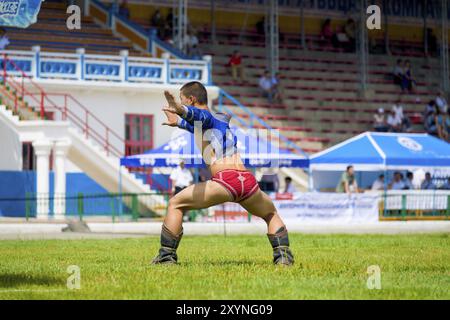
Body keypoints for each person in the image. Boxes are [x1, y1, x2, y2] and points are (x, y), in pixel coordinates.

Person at [152, 82, 294, 265]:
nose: (180, 103)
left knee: (175, 204)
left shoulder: (204, 117)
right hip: (248, 182)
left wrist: (180, 110)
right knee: (270, 213)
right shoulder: (217, 120)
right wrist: (178, 122)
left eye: (182, 100)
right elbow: (199, 125)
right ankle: (283, 258)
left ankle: (166, 258)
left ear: (191, 100)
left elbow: (198, 116)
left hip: (225, 181)